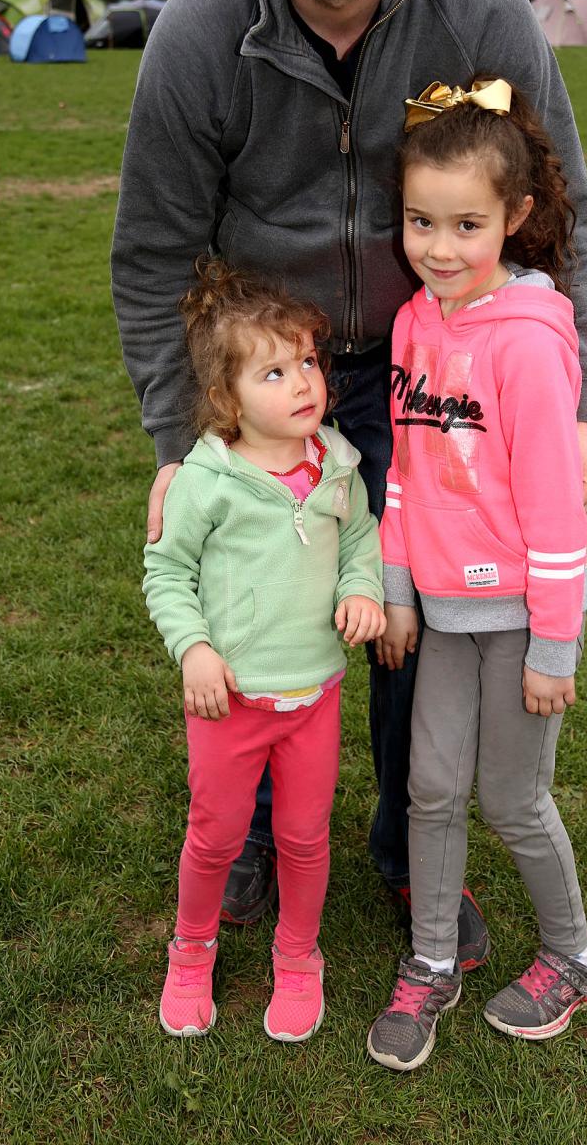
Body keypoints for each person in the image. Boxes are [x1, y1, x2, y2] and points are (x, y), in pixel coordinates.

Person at [111, 0, 587, 965]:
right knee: (264, 604)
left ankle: (400, 848)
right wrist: (183, 437)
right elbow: (154, 249)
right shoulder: (198, 30)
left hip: (433, 373)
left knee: (413, 622)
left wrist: (579, 406)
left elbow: (563, 214)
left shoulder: (480, 2)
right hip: (267, 382)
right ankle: (259, 831)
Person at [366, 78, 587, 1072]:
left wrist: (554, 643)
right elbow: (403, 471)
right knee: (428, 788)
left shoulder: (527, 344)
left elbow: (556, 508)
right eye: (419, 220)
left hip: (522, 618)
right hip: (439, 611)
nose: (437, 245)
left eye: (465, 224)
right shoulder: (414, 323)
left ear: (513, 219)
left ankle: (574, 955)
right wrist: (394, 588)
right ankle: (431, 960)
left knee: (512, 799)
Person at [143, 259, 385, 1040]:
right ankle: (191, 950)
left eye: (308, 361)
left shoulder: (338, 464)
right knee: (214, 835)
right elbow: (167, 571)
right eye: (275, 372)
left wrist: (363, 592)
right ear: (226, 399)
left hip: (313, 696)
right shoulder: (206, 482)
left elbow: (361, 548)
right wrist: (193, 650)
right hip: (229, 702)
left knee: (305, 837)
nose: (303, 383)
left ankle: (298, 954)